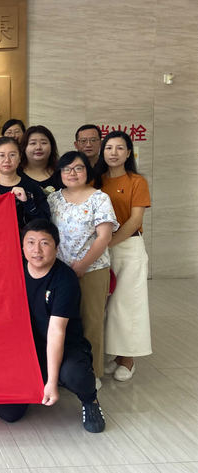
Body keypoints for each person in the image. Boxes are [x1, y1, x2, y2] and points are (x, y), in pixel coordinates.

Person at [0, 219, 105, 433]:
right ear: (22, 246)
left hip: (65, 346)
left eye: (44, 243)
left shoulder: (65, 279)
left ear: (56, 246)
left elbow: (56, 331)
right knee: (8, 413)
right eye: (30, 242)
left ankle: (90, 400)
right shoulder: (13, 271)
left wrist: (52, 382)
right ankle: (37, 382)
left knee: (74, 374)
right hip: (27, 349)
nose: (37, 250)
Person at [47, 151, 119, 386]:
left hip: (92, 270)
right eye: (67, 169)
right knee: (61, 323)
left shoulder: (99, 198)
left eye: (78, 168)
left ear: (87, 171)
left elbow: (104, 236)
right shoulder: (53, 199)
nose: (72, 173)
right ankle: (64, 372)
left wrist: (83, 265)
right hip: (59, 272)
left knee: (91, 323)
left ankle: (92, 373)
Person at [94, 131, 152, 382]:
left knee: (127, 303)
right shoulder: (96, 180)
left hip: (128, 247)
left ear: (129, 153)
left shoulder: (137, 181)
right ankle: (115, 354)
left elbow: (135, 220)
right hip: (101, 247)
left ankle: (128, 358)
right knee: (108, 305)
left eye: (120, 148)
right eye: (109, 148)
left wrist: (107, 244)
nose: (114, 153)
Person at [0, 137, 50, 226]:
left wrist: (28, 202)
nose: (7, 160)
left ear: (19, 157)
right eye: (2, 155)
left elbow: (45, 223)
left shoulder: (32, 187)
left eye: (12, 155)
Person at [20, 125, 60, 194]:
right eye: (33, 143)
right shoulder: (15, 173)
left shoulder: (62, 172)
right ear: (24, 147)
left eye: (43, 143)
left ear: (51, 146)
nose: (38, 147)